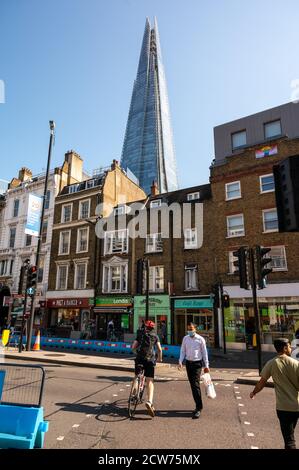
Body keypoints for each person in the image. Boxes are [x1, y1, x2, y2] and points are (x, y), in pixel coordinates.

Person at [250, 338, 299, 449]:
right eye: (290, 346)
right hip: (296, 405)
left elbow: (261, 383)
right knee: (290, 435)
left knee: (289, 440)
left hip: (283, 407)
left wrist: (254, 392)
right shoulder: (296, 364)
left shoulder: (271, 363)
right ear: (285, 348)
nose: (291, 348)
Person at [178, 322, 210, 419]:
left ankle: (199, 408)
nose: (190, 330)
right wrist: (180, 361)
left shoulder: (200, 339)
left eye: (191, 329)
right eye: (188, 329)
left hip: (197, 364)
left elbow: (204, 352)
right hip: (188, 363)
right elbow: (183, 350)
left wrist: (206, 365)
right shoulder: (185, 338)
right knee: (192, 385)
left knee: (195, 385)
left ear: (195, 329)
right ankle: (198, 404)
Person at [131, 320, 162, 418]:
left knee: (136, 376)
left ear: (145, 327)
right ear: (153, 328)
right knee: (149, 381)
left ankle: (134, 394)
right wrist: (159, 358)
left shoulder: (140, 334)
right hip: (149, 360)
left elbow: (133, 347)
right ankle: (149, 401)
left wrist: (136, 353)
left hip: (139, 359)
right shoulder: (155, 336)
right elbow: (159, 350)